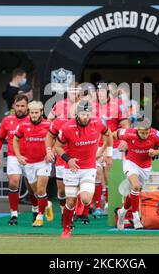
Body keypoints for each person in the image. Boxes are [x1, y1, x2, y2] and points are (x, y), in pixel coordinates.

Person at [54, 100, 113, 238]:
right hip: (72, 169)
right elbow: (57, 147)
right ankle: (66, 230)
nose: (85, 117)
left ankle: (81, 198)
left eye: (87, 114)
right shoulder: (67, 127)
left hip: (88, 168)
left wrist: (106, 152)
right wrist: (68, 160)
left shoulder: (98, 123)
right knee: (69, 202)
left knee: (86, 200)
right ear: (77, 114)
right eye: (82, 114)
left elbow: (108, 134)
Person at [114, 116, 159, 229]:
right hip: (130, 162)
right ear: (137, 130)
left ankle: (122, 211)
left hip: (145, 166)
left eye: (146, 132)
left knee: (136, 190)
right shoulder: (128, 133)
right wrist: (121, 143)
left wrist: (155, 152)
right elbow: (113, 134)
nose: (145, 135)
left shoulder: (155, 135)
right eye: (142, 133)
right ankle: (136, 218)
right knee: (136, 185)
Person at [13, 101, 53, 227]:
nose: (34, 115)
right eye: (32, 113)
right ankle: (46, 204)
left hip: (44, 162)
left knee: (41, 190)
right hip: (29, 163)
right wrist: (18, 156)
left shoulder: (48, 125)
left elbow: (56, 139)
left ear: (41, 112)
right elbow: (15, 140)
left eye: (36, 112)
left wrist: (50, 152)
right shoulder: (23, 125)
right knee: (36, 193)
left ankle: (40, 217)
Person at [0, 94, 31, 225]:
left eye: (22, 106)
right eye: (18, 105)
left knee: (33, 187)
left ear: (27, 107)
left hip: (31, 157)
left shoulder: (33, 119)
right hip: (13, 156)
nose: (20, 108)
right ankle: (14, 214)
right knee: (13, 182)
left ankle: (36, 210)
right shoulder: (7, 120)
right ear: (14, 106)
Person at [93, 81, 130, 216]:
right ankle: (98, 206)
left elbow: (126, 124)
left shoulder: (118, 105)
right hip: (96, 146)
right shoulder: (91, 105)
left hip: (113, 146)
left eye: (103, 91)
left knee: (110, 174)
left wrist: (125, 140)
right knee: (97, 174)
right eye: (98, 91)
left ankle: (110, 203)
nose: (100, 93)